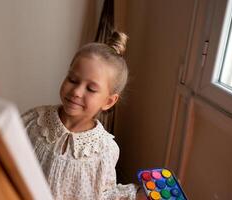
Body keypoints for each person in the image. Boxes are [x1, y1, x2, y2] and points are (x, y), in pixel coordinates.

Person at [22, 31, 144, 200]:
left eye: (91, 89)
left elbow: (105, 195)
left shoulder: (105, 150)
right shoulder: (34, 121)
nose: (77, 91)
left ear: (108, 101)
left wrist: (138, 195)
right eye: (72, 79)